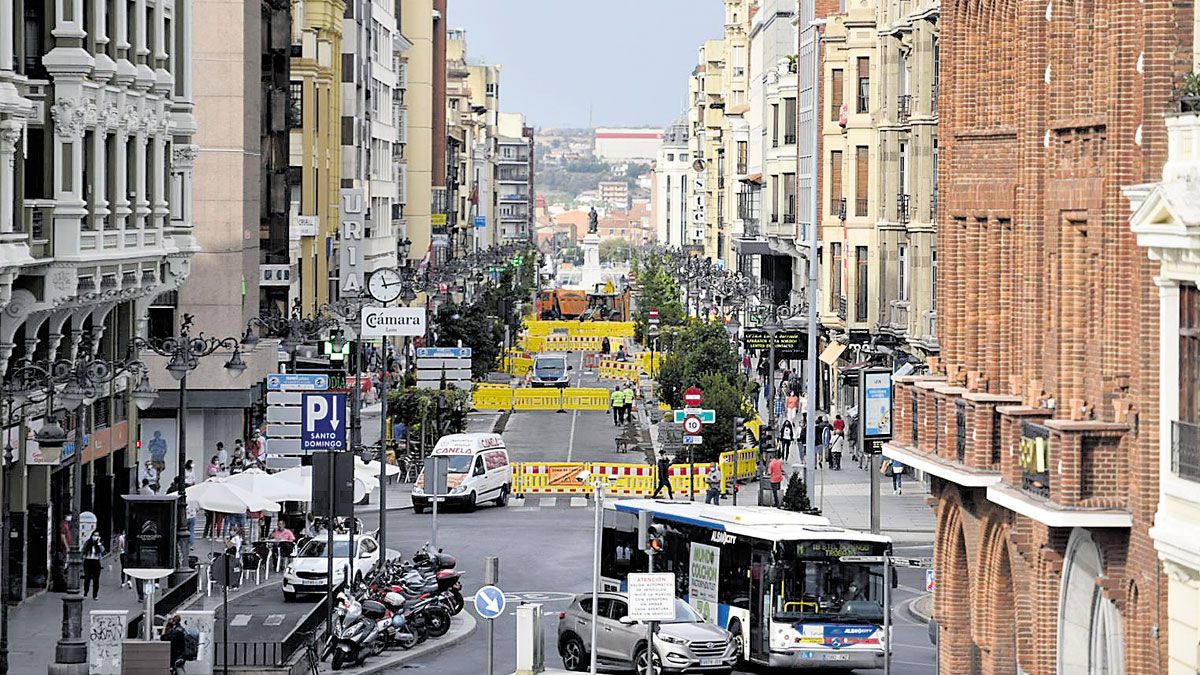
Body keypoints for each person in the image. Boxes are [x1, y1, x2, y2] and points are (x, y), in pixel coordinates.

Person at [81, 531, 105, 599]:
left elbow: (102, 550)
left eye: (97, 535)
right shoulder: (88, 543)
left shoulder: (99, 544)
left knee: (96, 579)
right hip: (88, 561)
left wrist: (99, 543)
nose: (95, 537)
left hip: (96, 561)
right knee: (87, 578)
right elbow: (83, 551)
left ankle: (95, 595)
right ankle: (85, 593)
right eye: (94, 535)